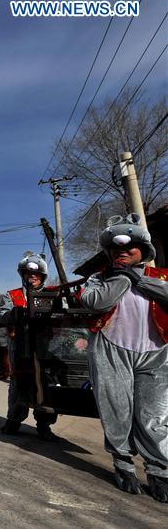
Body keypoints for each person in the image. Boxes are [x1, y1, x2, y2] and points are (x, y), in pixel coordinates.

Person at [80, 214, 167, 502]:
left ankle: (158, 470)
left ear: (144, 251)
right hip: (111, 349)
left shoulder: (161, 277)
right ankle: (123, 463)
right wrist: (121, 276)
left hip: (156, 352)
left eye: (131, 248)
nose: (123, 251)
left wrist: (138, 279)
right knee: (117, 409)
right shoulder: (99, 279)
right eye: (118, 249)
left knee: (153, 415)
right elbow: (95, 302)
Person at [0, 252, 58, 441]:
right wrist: (14, 315)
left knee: (45, 384)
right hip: (19, 347)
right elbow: (2, 316)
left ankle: (44, 425)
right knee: (18, 384)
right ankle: (14, 420)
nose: (32, 276)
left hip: (46, 348)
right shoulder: (12, 295)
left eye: (36, 274)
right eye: (28, 273)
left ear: (42, 276)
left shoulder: (53, 293)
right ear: (22, 275)